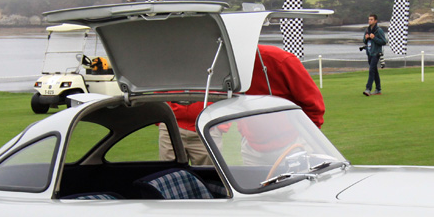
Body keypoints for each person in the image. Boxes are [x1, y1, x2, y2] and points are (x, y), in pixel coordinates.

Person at [159, 43, 325, 163]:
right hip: (252, 148)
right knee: (255, 202)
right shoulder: (220, 64)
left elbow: (313, 105)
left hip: (291, 144)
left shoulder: (280, 60)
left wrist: (304, 136)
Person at [362, 14, 386, 96]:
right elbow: (364, 41)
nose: (369, 21)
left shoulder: (379, 30)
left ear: (375, 21)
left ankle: (368, 89)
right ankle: (378, 89)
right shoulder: (367, 30)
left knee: (371, 70)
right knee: (374, 71)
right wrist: (366, 38)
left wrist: (374, 38)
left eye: (371, 19)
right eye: (369, 19)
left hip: (376, 53)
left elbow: (384, 41)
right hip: (369, 53)